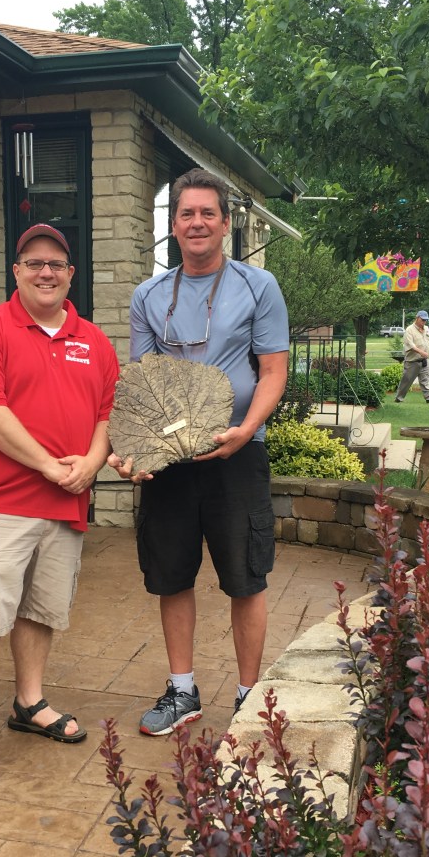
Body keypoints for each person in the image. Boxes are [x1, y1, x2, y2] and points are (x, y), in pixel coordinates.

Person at [108, 168, 289, 735]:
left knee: (246, 577)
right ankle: (182, 690)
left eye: (208, 213)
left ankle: (248, 695)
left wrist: (247, 428)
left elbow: (273, 371)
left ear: (226, 223)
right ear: (173, 225)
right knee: (171, 575)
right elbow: (143, 383)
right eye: (186, 213)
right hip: (171, 461)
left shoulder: (259, 286)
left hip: (238, 452)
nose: (197, 222)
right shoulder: (148, 296)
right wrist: (134, 451)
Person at [0, 224, 120, 771]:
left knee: (41, 608)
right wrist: (49, 465)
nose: (46, 272)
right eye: (35, 263)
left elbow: (108, 415)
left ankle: (29, 701)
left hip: (66, 504)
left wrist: (91, 464)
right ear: (17, 271)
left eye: (56, 264)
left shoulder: (94, 342)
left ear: (71, 275)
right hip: (3, 499)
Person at [393, 310, 429, 404]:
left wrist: (428, 352)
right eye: (422, 319)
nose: (424, 322)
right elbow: (410, 345)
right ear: (417, 318)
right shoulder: (409, 330)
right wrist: (422, 352)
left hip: (424, 360)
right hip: (412, 361)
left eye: (425, 320)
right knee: (406, 381)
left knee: (426, 380)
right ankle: (399, 398)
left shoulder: (426, 329)